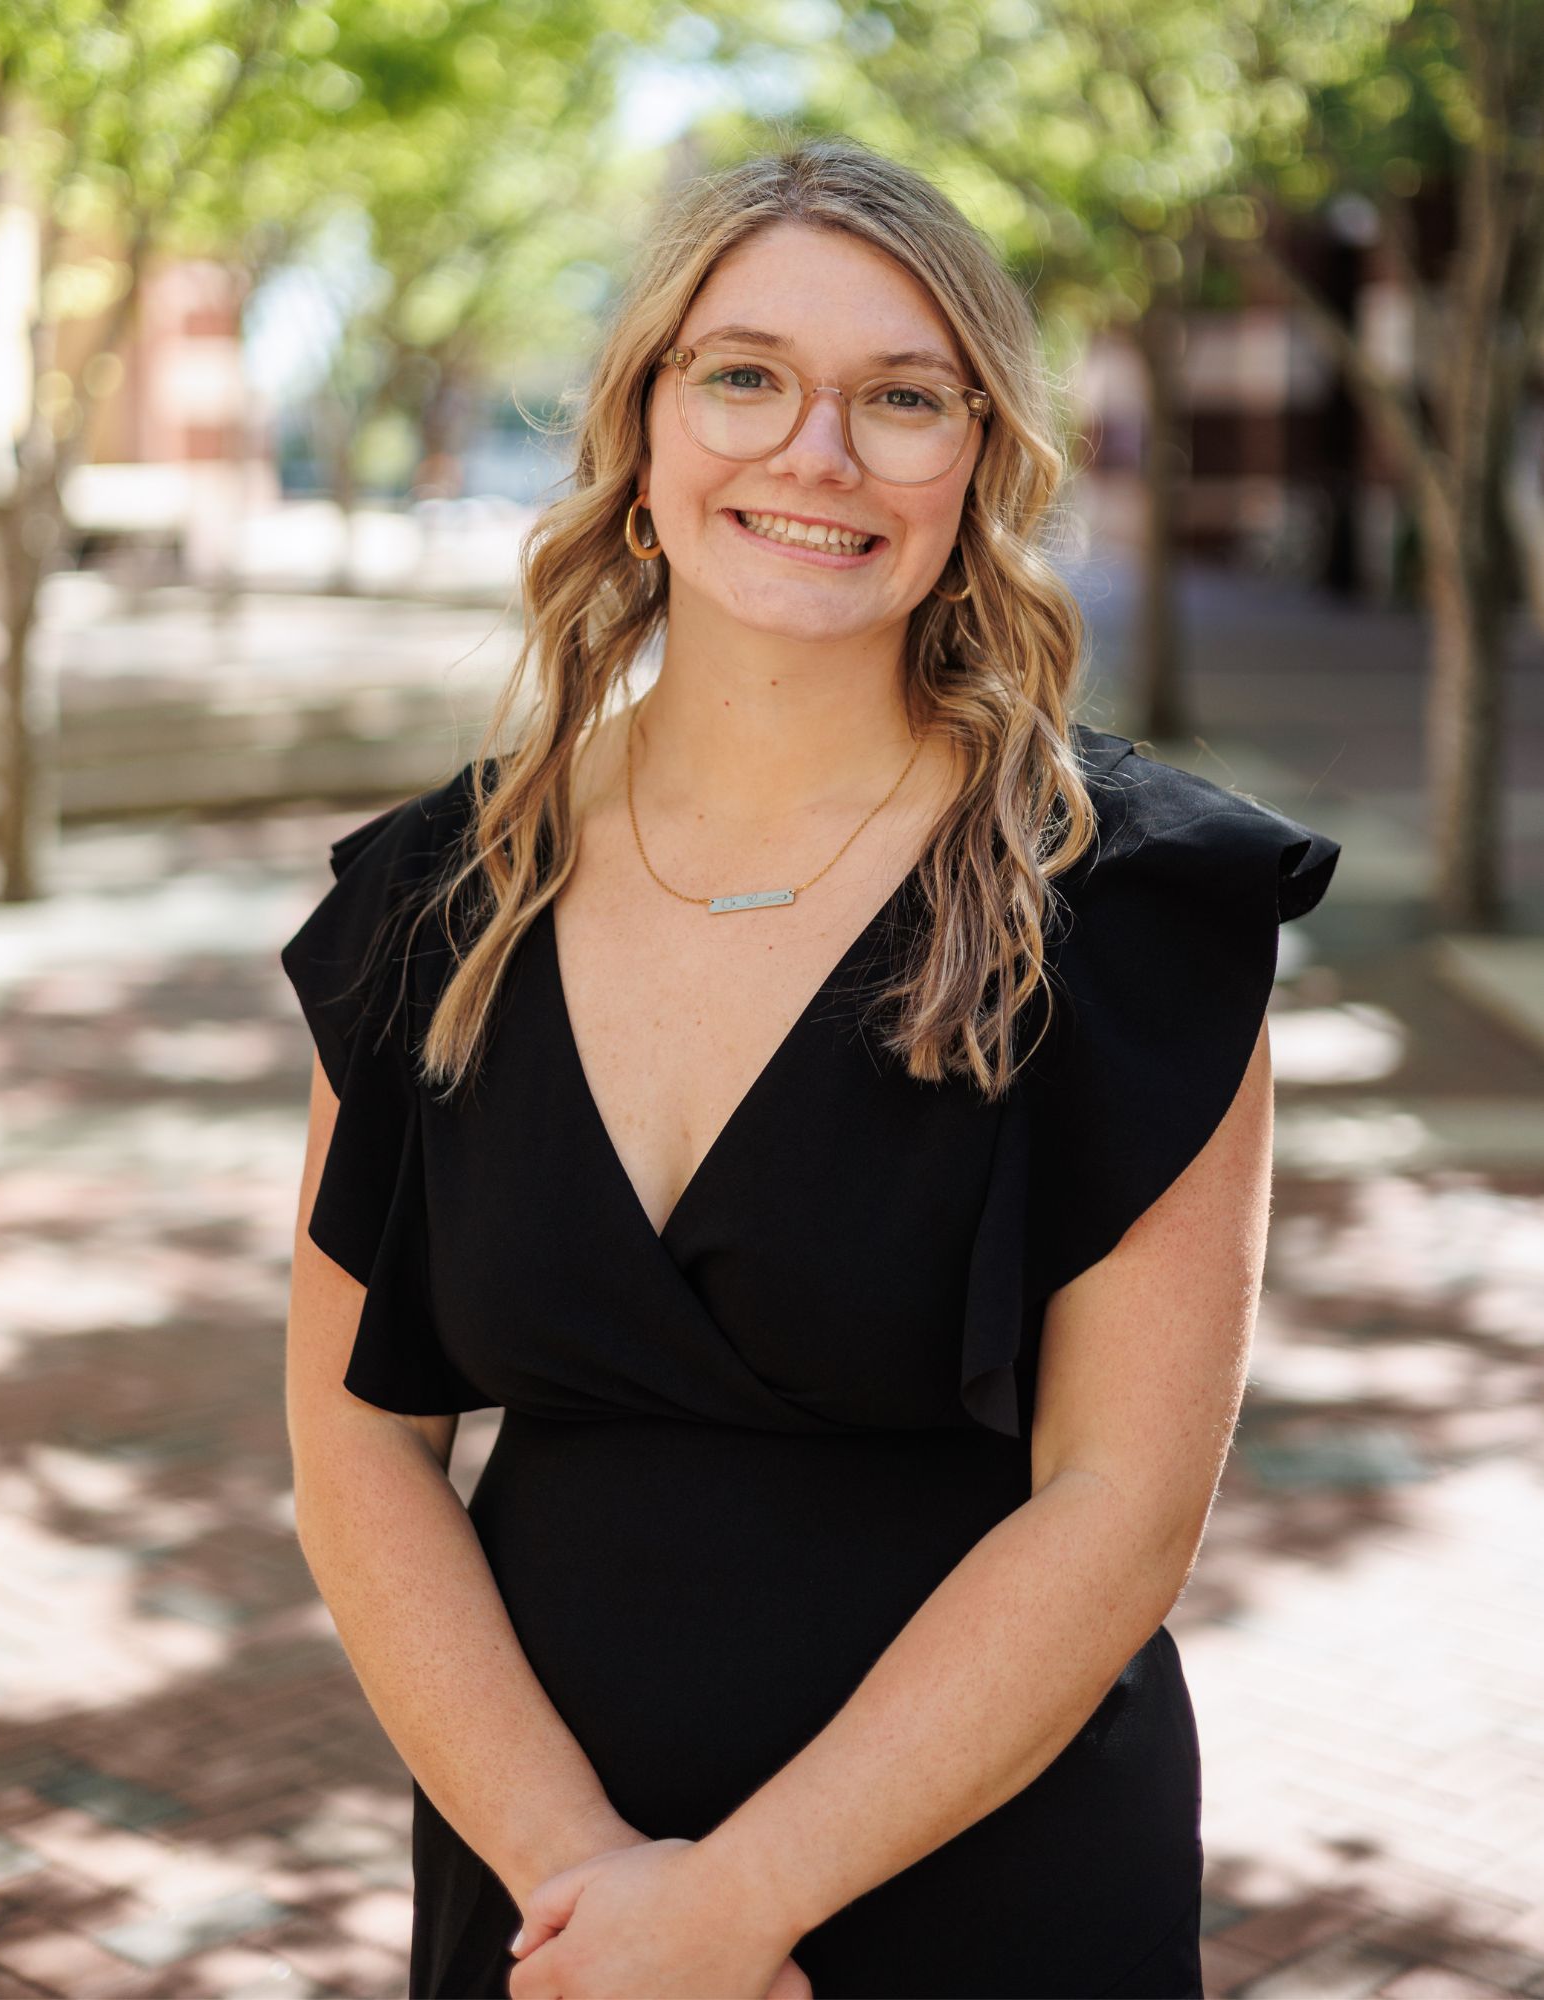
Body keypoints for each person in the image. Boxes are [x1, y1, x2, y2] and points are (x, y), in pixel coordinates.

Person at [281, 136, 1341, 2000]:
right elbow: (357, 1440)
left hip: (983, 1867)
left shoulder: (1141, 914)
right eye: (747, 374)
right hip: (549, 1900)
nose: (816, 455)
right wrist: (590, 1885)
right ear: (644, 419)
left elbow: (1123, 1507)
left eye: (902, 398)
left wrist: (738, 1906)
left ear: (985, 459)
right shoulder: (432, 902)